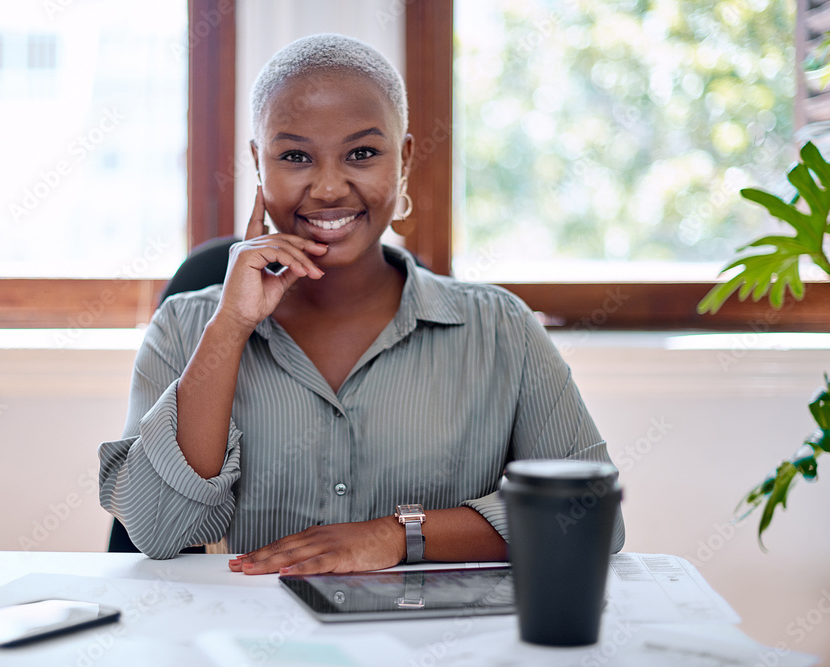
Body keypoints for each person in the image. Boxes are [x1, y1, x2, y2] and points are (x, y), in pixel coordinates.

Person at [98, 33, 624, 575]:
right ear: (259, 164)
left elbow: (590, 516)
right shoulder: (186, 327)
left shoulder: (499, 328)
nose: (328, 188)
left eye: (363, 153)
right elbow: (157, 531)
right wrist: (230, 328)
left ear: (405, 161)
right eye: (295, 156)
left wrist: (398, 535)